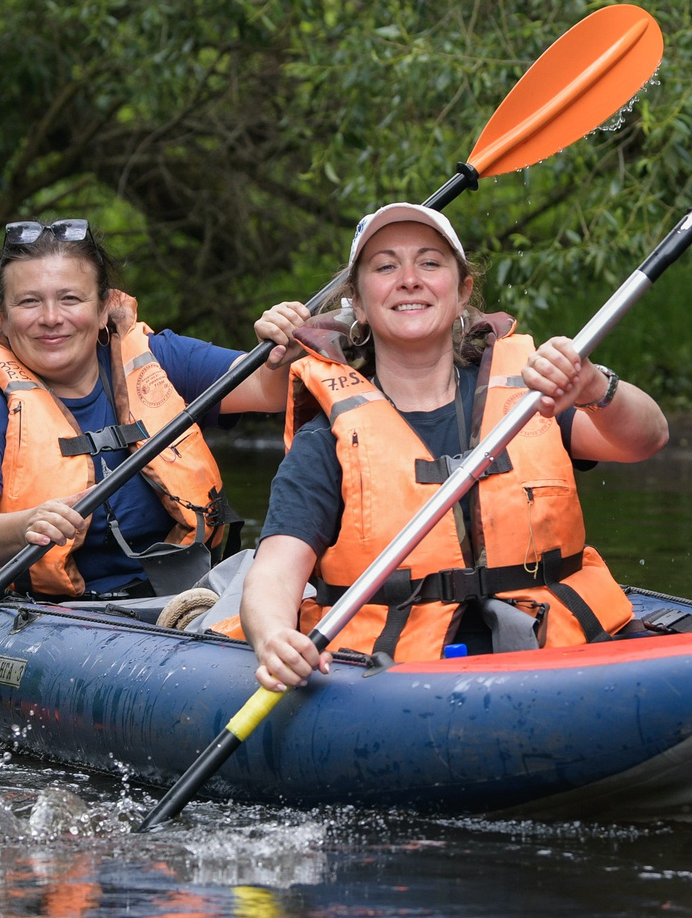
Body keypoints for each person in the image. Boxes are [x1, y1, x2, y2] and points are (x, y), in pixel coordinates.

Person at [235, 202, 669, 686]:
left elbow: (646, 439)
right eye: (385, 267)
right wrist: (273, 637)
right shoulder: (328, 438)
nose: (409, 280)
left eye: (429, 263)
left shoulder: (528, 397)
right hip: (399, 680)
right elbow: (274, 573)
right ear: (357, 303)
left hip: (557, 656)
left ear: (462, 292)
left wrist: (594, 386)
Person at [0, 218, 310, 598]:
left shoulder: (159, 359)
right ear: (2, 316)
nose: (51, 318)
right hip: (42, 610)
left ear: (104, 309)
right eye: (29, 301)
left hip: (179, 600)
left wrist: (284, 347)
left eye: (70, 299)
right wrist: (26, 524)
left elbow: (271, 390)